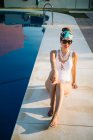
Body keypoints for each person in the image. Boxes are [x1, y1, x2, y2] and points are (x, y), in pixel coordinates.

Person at [45, 27, 78, 128]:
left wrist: (74, 82)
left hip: (65, 84)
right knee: (53, 74)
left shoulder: (74, 55)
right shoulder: (53, 53)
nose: (67, 44)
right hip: (51, 81)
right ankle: (51, 105)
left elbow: (73, 69)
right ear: (60, 41)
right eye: (64, 41)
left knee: (60, 85)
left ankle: (56, 114)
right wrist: (55, 71)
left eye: (69, 42)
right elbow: (53, 64)